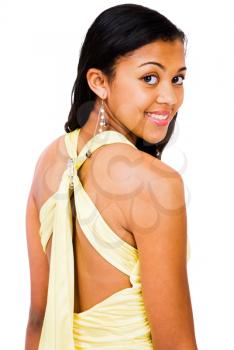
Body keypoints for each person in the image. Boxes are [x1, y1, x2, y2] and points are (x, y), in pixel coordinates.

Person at [25, 3, 198, 350]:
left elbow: (38, 320)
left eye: (177, 78)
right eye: (150, 77)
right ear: (99, 82)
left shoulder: (49, 160)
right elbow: (176, 344)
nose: (170, 97)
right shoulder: (155, 182)